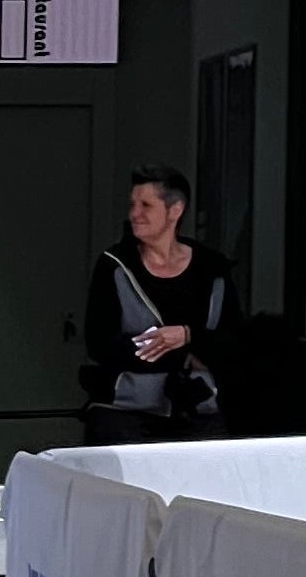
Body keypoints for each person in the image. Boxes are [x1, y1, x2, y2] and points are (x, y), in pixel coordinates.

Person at [80, 166, 231, 441]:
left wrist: (187, 335)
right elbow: (99, 344)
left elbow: (233, 342)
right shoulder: (114, 266)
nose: (134, 214)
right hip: (125, 411)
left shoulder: (212, 268)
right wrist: (182, 355)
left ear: (175, 210)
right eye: (132, 205)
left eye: (146, 205)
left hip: (200, 411)